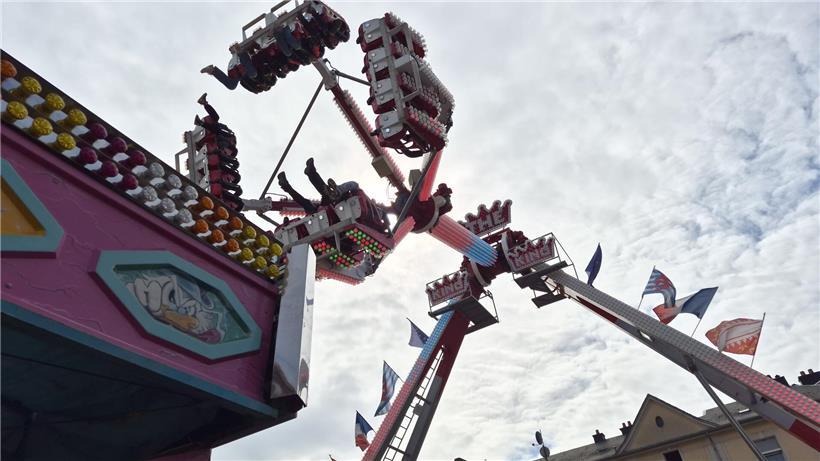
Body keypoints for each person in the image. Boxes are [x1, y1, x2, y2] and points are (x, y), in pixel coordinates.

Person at [278, 157, 360, 214]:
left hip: (325, 209)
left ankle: (287, 186)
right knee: (354, 185)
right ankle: (336, 191)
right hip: (331, 208)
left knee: (308, 203)